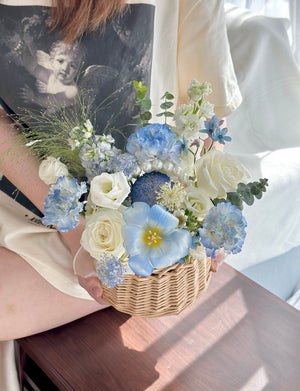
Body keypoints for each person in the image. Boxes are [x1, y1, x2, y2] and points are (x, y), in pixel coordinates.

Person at [0, 0, 241, 340]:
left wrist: (205, 210)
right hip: (25, 196)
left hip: (133, 230)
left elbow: (207, 111)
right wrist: (76, 235)